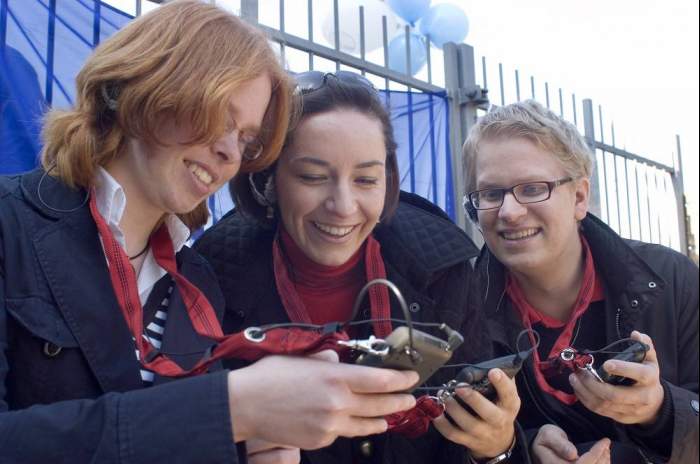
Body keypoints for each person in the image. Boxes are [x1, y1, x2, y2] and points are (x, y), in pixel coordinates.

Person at [0, 3, 420, 462]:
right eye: (217, 113)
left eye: (245, 138)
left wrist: (251, 447)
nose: (228, 152)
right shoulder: (12, 225)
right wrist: (232, 408)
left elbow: (163, 439)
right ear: (142, 82)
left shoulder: (197, 281)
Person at [195, 70, 528, 464]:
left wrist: (496, 449)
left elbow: (464, 443)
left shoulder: (446, 270)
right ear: (270, 177)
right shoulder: (211, 277)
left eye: (366, 179)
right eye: (313, 176)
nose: (343, 206)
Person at [462, 100, 699, 463]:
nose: (509, 212)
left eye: (532, 188)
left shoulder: (672, 281)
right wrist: (516, 449)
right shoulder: (460, 303)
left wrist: (660, 410)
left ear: (579, 196)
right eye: (491, 194)